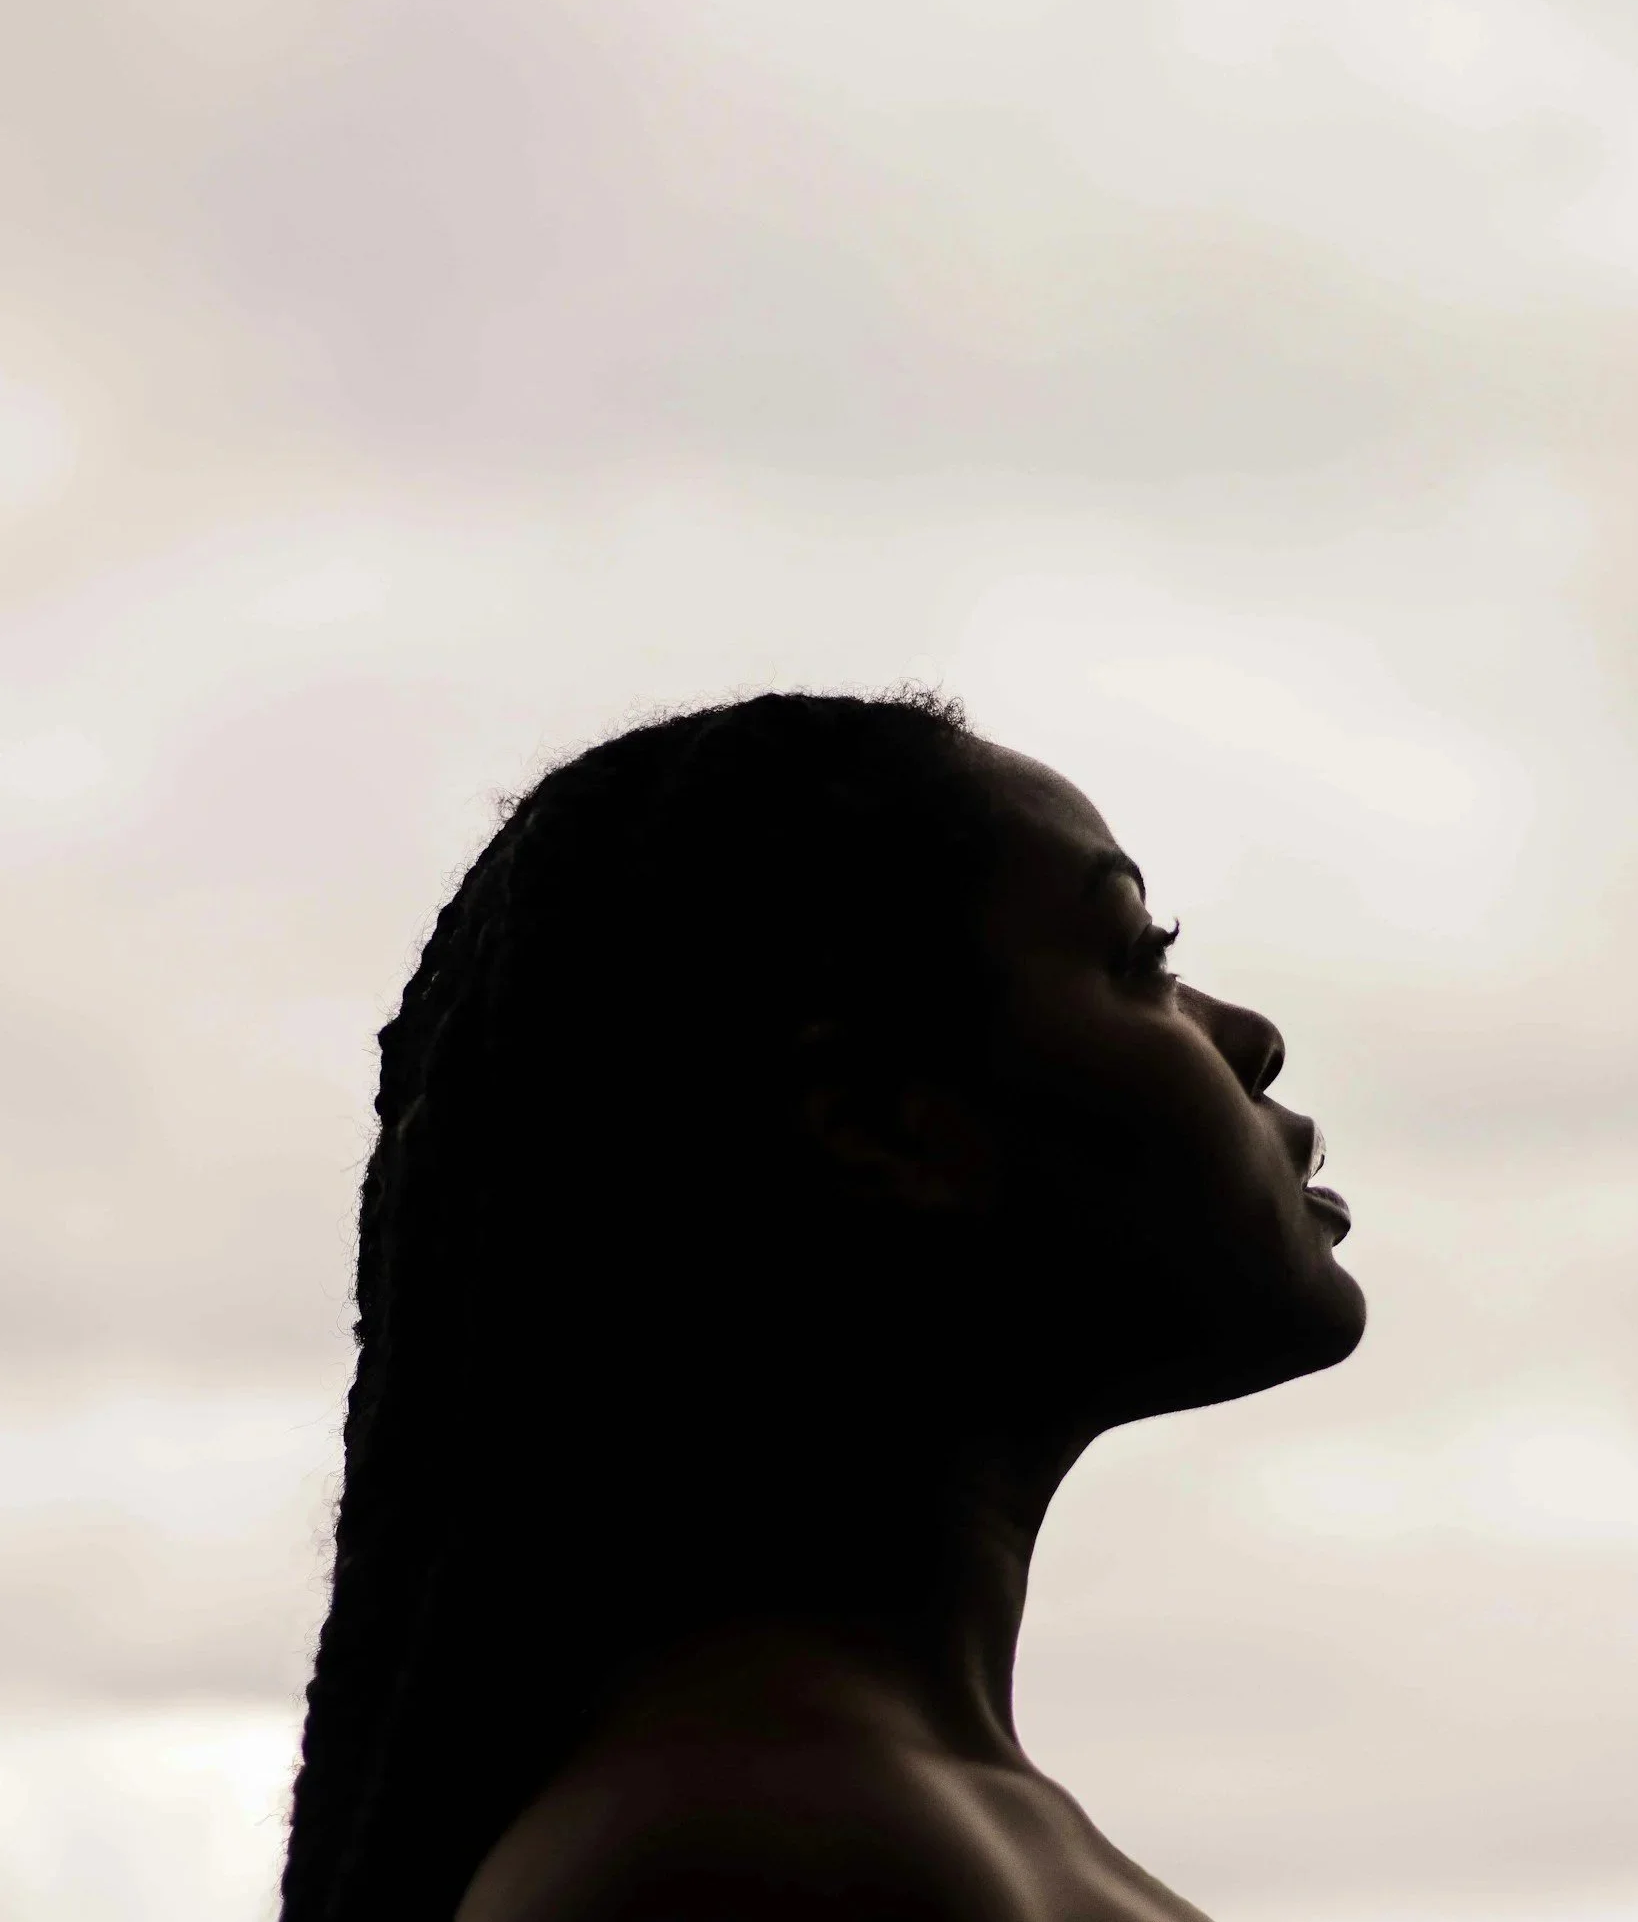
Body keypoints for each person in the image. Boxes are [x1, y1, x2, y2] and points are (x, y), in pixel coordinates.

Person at [279, 687, 1365, 1922]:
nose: (1254, 1036)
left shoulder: (854, 1814)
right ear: (885, 1125)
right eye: (1138, 958)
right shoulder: (754, 1858)